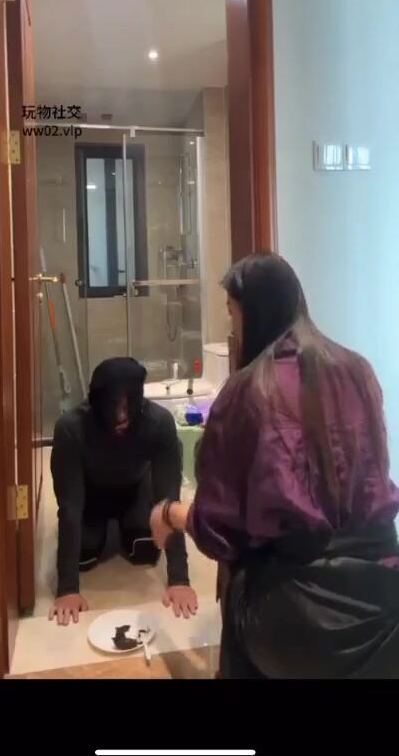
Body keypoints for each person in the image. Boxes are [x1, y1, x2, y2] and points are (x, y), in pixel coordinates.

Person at [150, 253, 399, 678]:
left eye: (233, 315)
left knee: (239, 569)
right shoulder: (359, 370)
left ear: (255, 312)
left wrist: (170, 513)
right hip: (381, 598)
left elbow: (219, 531)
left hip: (293, 615)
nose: (232, 330)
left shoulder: (246, 390)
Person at [49, 357, 198, 625]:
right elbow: (70, 507)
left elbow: (169, 500)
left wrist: (180, 579)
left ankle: (125, 526)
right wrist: (67, 589)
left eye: (129, 405)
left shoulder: (158, 423)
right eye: (113, 406)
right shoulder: (71, 428)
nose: (121, 417)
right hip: (91, 496)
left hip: (134, 489)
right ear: (97, 402)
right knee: (84, 555)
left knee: (146, 550)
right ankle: (106, 531)